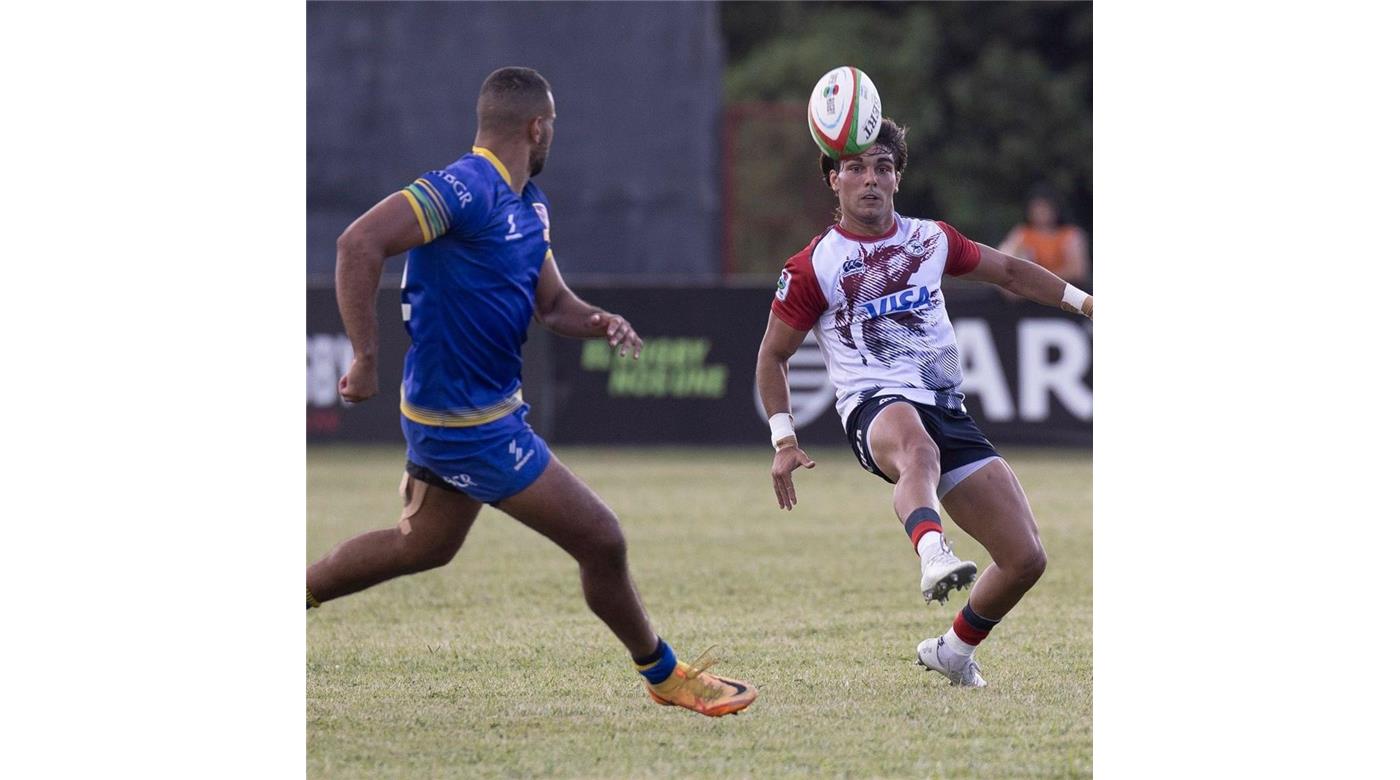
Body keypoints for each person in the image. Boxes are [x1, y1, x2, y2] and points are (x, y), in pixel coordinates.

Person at [306, 66, 755, 717]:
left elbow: (552, 304)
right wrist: (365, 355)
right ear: (537, 126)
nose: (554, 139)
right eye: (554, 129)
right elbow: (358, 243)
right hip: (471, 426)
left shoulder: (530, 204)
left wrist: (597, 321)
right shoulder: (464, 187)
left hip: (469, 413)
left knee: (423, 546)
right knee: (601, 538)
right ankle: (665, 675)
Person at [755, 118, 1092, 687]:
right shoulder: (814, 265)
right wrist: (784, 439)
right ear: (834, 180)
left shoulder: (930, 239)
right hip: (874, 405)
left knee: (1025, 558)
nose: (870, 180)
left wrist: (1087, 305)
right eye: (856, 168)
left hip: (945, 407)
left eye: (883, 168)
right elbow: (772, 357)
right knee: (917, 451)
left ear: (898, 179)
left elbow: (1009, 271)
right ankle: (933, 552)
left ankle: (954, 650)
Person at [997, 185, 1089, 286]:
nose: (1040, 212)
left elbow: (1077, 272)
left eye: (1044, 208)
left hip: (1063, 288)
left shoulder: (1070, 234)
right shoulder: (1021, 233)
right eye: (1036, 208)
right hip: (1029, 290)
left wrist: (1040, 277)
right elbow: (1006, 260)